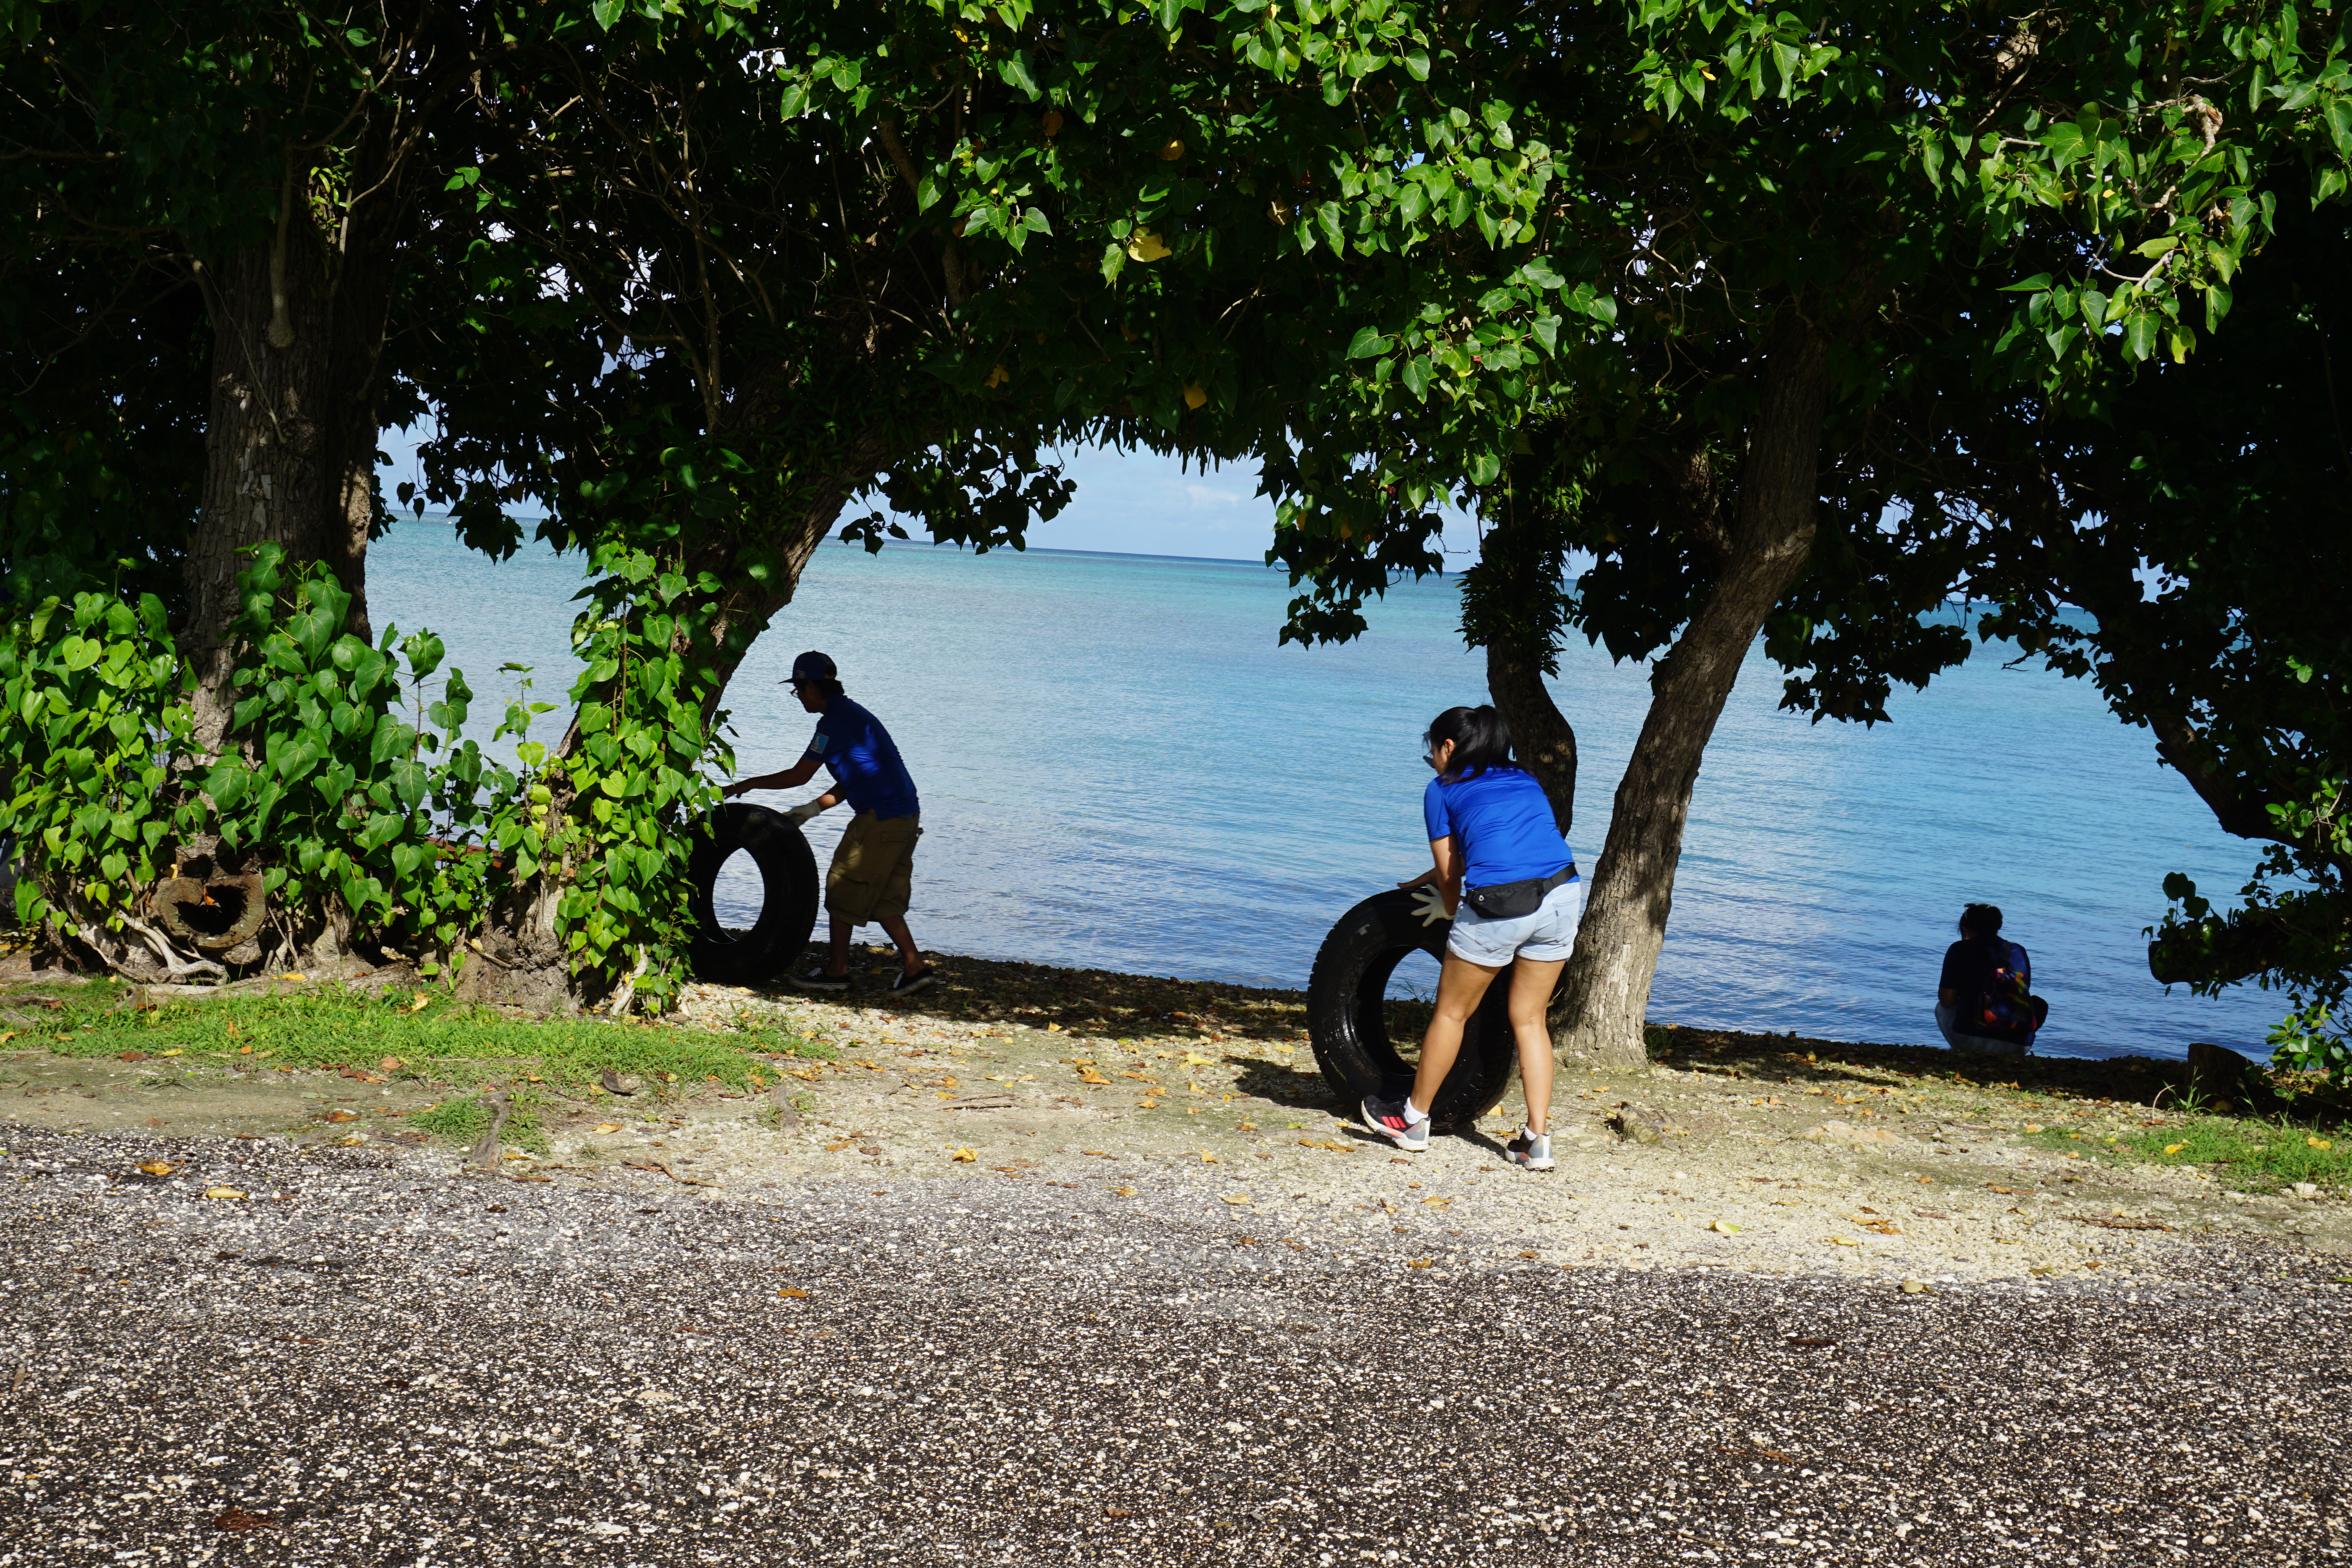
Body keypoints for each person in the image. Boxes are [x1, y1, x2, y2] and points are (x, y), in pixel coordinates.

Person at [1360, 704, 1579, 1169]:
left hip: (1501, 905)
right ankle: (1536, 1141)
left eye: (1432, 753)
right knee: (1530, 1020)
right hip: (1562, 893)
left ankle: (1413, 1120)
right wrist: (1447, 880)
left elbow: (1448, 872)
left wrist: (1448, 902)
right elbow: (1504, 845)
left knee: (1453, 1012)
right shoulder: (1525, 778)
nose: (1433, 762)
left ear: (1449, 747)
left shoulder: (1442, 789)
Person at [722, 651, 936, 996]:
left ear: (810, 686)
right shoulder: (854, 716)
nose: (799, 698)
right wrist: (813, 810)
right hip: (905, 817)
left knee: (841, 889)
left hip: (879, 821)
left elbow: (799, 775)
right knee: (882, 898)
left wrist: (746, 784)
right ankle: (915, 968)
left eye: (798, 690)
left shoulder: (832, 724)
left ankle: (837, 973)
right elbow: (859, 776)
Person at [1935, 902, 2045, 1058]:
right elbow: (2022, 997)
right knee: (2038, 1004)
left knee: (1941, 1007)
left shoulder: (1959, 949)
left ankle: (1964, 1050)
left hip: (1972, 1040)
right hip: (2018, 1046)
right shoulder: (2018, 951)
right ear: (1997, 928)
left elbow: (1947, 1001)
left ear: (1965, 931)